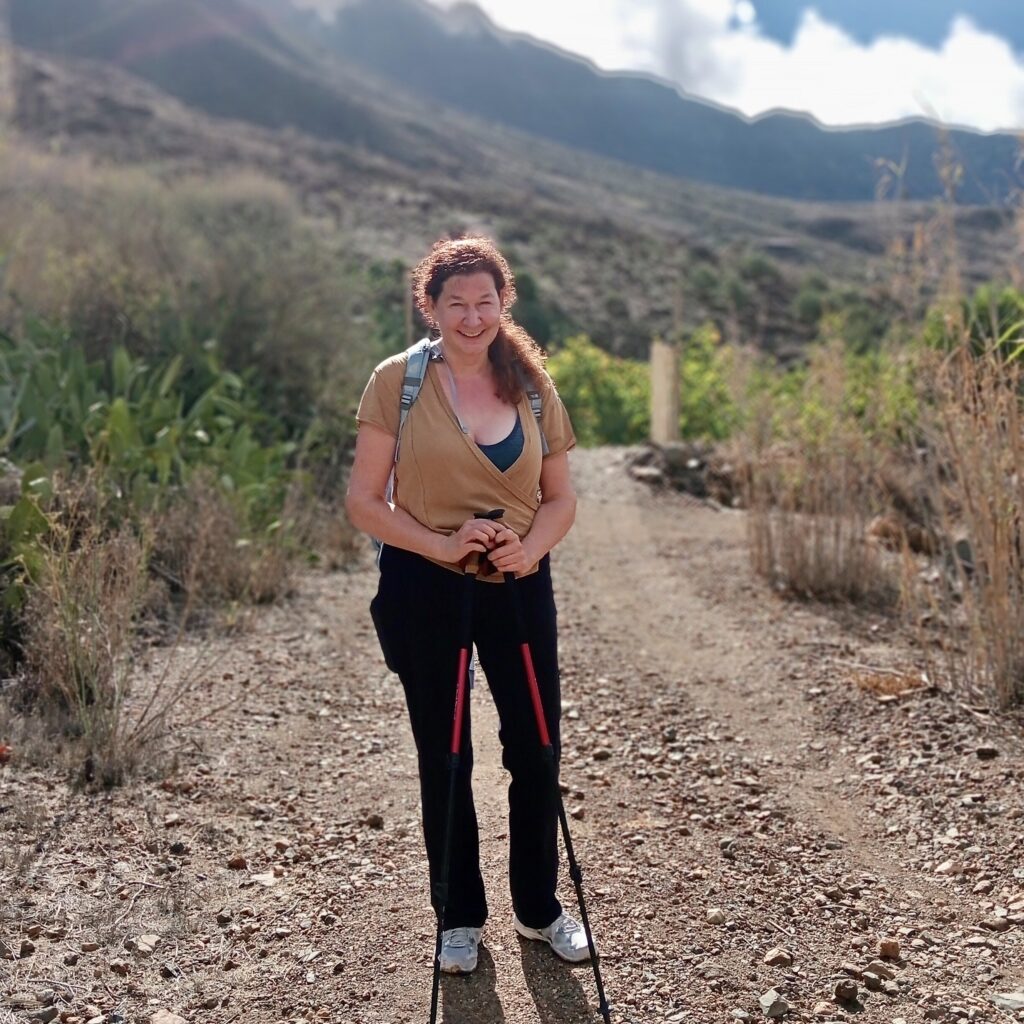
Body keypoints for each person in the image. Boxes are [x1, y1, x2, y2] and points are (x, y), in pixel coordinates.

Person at [345, 236, 588, 974]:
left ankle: (540, 909)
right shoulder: (398, 382)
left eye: (486, 301)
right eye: (458, 303)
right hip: (428, 586)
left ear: (503, 302)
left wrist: (531, 547)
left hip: (517, 586)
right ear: (431, 306)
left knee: (537, 749)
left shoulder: (533, 384)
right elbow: (363, 503)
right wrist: (443, 544)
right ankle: (459, 916)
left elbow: (560, 500)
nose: (473, 316)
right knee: (446, 755)